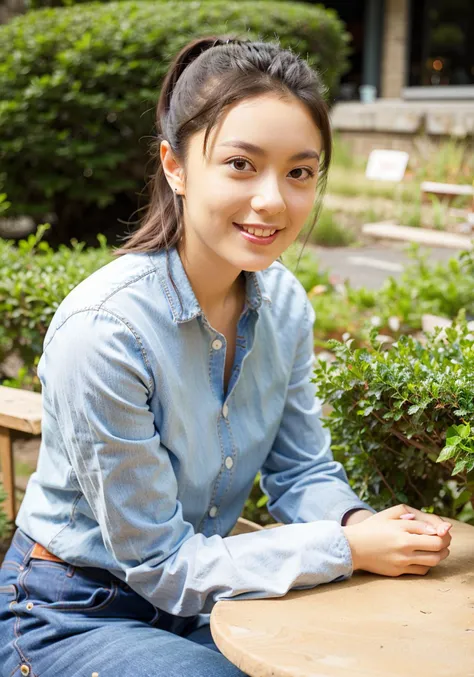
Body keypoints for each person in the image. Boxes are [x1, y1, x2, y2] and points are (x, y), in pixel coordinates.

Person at [0, 36, 452, 677]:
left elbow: (300, 473)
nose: (274, 200)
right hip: (73, 612)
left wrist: (366, 524)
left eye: (300, 172)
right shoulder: (103, 331)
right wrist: (346, 548)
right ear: (175, 166)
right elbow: (158, 564)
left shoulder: (286, 304)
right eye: (241, 164)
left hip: (211, 597)